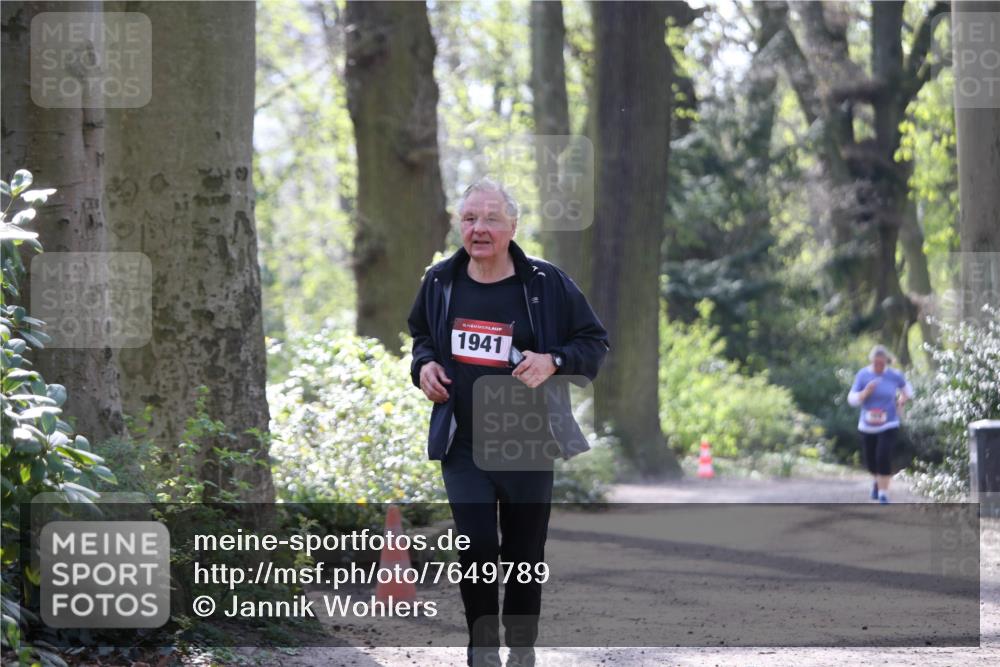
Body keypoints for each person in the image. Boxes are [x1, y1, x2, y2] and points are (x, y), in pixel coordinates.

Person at [407, 178, 609, 667]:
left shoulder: (545, 283)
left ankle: (521, 650)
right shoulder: (439, 281)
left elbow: (593, 343)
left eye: (492, 218)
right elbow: (422, 338)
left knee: (523, 556)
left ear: (513, 227)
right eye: (470, 218)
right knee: (475, 549)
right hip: (464, 446)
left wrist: (553, 361)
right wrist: (424, 367)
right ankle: (482, 651)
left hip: (528, 444)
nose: (479, 228)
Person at [847, 345, 914, 504]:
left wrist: (903, 399)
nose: (879, 366)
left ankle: (883, 493)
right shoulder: (863, 375)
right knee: (871, 461)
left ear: (886, 362)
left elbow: (908, 391)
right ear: (871, 361)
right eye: (876, 363)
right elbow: (852, 399)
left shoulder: (894, 375)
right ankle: (876, 481)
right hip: (867, 425)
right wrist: (865, 393)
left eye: (882, 363)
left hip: (888, 423)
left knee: (882, 456)